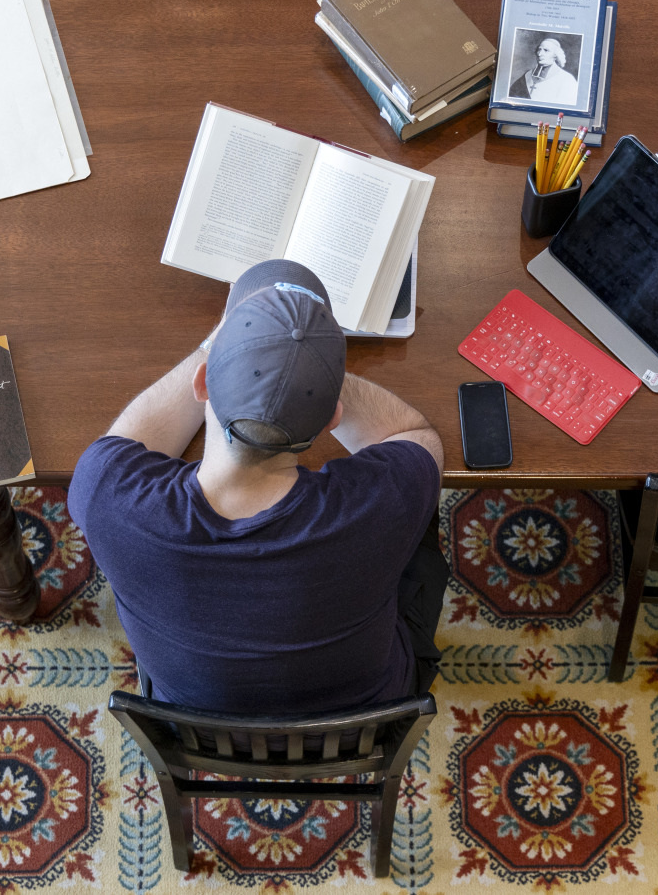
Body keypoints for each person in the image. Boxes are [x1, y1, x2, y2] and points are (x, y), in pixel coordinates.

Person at [67, 258, 446, 713]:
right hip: (364, 715)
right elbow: (416, 436)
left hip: (191, 721)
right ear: (333, 417)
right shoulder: (380, 505)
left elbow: (129, 440)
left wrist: (234, 348)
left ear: (202, 382)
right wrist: (312, 372)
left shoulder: (106, 493)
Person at [510, 36, 579, 104]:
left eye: (546, 50)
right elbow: (511, 97)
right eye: (539, 50)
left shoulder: (567, 79)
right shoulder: (527, 75)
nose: (540, 54)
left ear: (555, 55)